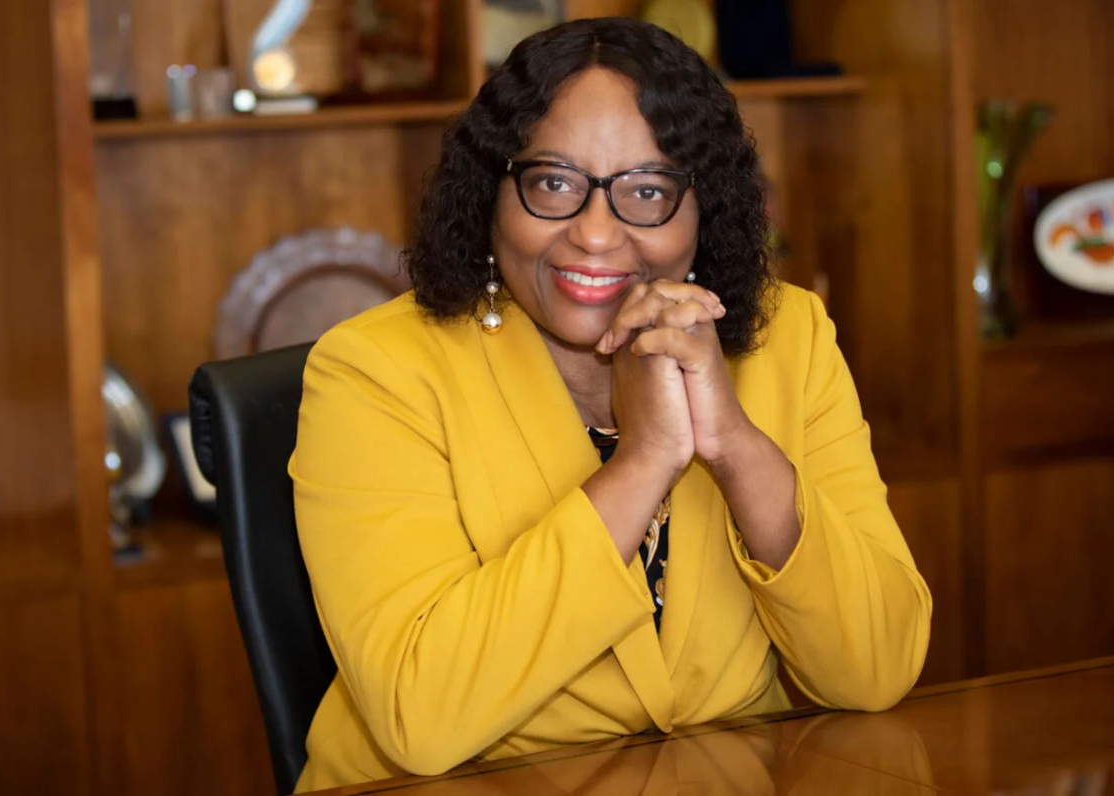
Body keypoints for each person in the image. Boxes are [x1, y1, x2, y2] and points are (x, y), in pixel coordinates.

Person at [290, 16, 931, 792]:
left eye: (648, 191)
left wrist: (731, 442)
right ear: (493, 192)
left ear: (706, 211)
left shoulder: (786, 339)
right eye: (554, 183)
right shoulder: (375, 373)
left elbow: (877, 671)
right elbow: (419, 716)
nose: (596, 234)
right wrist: (648, 459)